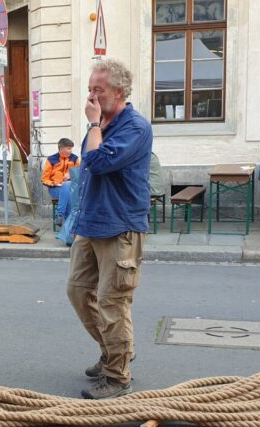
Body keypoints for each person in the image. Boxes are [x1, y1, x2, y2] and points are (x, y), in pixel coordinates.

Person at [67, 59, 151, 400]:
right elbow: (86, 176)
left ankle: (118, 377)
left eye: (98, 90)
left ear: (119, 92)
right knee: (77, 292)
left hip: (120, 228)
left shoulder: (135, 128)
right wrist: (77, 221)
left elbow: (98, 163)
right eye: (89, 89)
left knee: (112, 303)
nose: (91, 96)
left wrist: (93, 125)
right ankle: (115, 351)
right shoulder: (99, 125)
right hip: (91, 225)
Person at [42, 138, 80, 225]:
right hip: (55, 189)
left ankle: (60, 214)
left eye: (71, 148)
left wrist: (71, 175)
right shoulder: (51, 159)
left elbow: (80, 176)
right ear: (61, 148)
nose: (71, 151)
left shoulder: (75, 159)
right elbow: (44, 179)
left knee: (67, 185)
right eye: (69, 148)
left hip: (71, 188)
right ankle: (70, 227)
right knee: (69, 194)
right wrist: (53, 183)